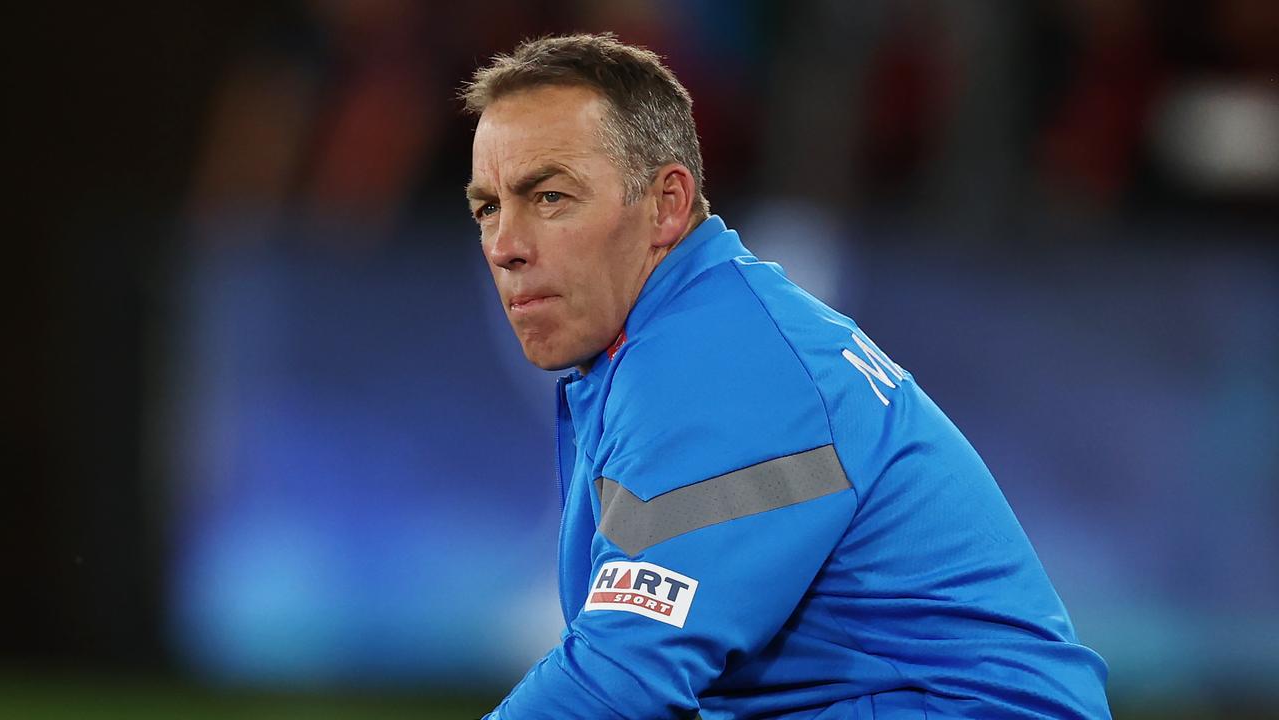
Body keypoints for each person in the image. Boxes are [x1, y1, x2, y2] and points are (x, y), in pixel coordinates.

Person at [462, 33, 1111, 719]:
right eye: (488, 208)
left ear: (667, 204)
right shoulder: (699, 332)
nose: (505, 247)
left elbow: (619, 681)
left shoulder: (718, 368)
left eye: (551, 197)